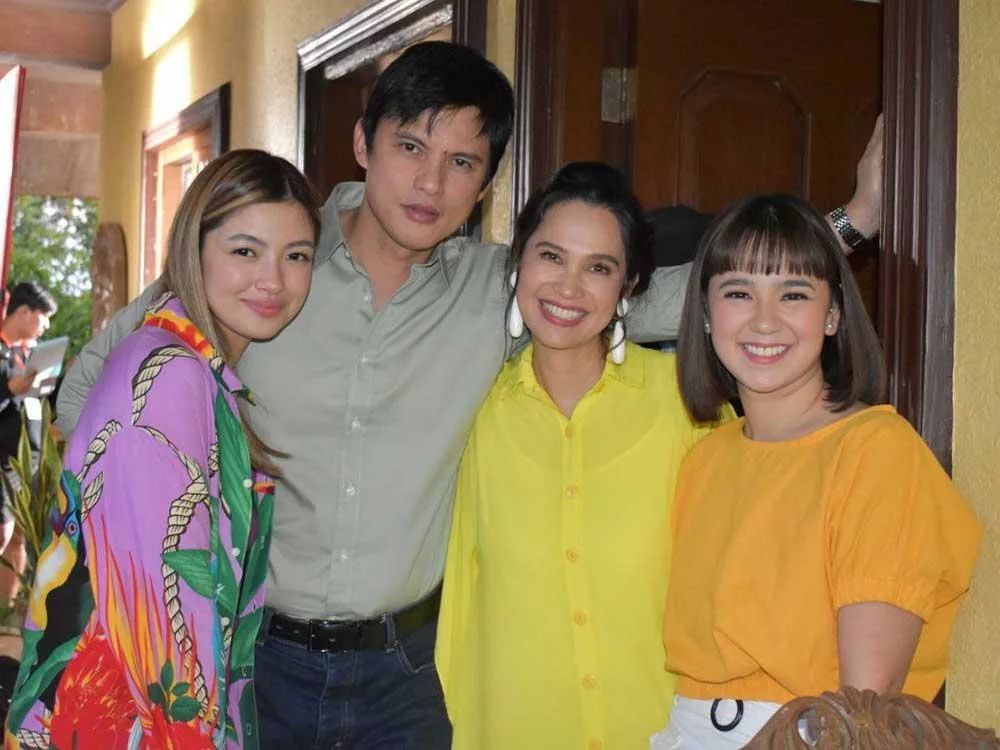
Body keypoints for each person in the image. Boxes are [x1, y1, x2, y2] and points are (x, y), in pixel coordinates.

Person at [54, 43, 883, 747]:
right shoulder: (273, 262)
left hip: (405, 675)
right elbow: (98, 385)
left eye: (461, 163)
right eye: (410, 146)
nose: (430, 183)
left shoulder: (499, 292)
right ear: (363, 142)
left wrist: (854, 220)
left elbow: (668, 294)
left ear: (486, 184)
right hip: (254, 659)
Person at [4, 149, 319, 749]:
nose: (274, 280)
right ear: (192, 251)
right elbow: (160, 625)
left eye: (297, 256)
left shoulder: (193, 367)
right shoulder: (168, 377)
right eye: (245, 251)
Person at [651, 194, 981, 748]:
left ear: (832, 315)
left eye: (794, 294)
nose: (764, 320)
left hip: (808, 733)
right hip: (686, 729)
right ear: (706, 315)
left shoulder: (876, 450)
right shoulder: (706, 458)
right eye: (738, 292)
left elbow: (865, 702)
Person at [435, 162, 727, 749]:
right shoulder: (473, 409)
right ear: (517, 261)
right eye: (551, 257)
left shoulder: (686, 403)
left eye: (599, 267)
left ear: (629, 285)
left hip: (665, 732)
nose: (569, 288)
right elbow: (462, 608)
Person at [0, 282, 58, 608]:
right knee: (2, 533)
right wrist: (9, 389)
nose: (47, 325)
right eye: (43, 316)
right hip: (4, 460)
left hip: (29, 459)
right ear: (23, 311)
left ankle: (5, 613)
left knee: (19, 535)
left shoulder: (29, 354)